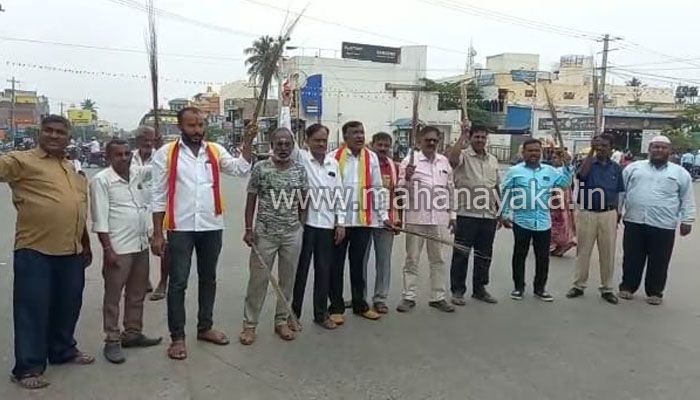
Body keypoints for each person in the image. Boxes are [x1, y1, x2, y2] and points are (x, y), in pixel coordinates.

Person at [151, 107, 252, 360]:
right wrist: (157, 233)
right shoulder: (166, 154)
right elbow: (158, 195)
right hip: (180, 227)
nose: (197, 131)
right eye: (191, 126)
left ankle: (205, 327)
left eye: (200, 125)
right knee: (178, 282)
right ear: (179, 127)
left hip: (211, 226)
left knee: (209, 279)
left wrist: (248, 142)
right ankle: (177, 338)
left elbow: (240, 169)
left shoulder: (214, 150)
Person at [1, 115, 94, 390]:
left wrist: (85, 244)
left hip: (72, 251)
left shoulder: (72, 169)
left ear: (69, 137)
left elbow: (78, 210)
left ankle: (63, 350)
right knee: (32, 310)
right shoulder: (21, 160)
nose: (54, 136)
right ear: (40, 133)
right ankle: (27, 367)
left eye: (60, 132)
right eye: (48, 131)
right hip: (35, 250)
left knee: (68, 305)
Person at [90, 139, 162, 364]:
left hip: (140, 245)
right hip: (118, 248)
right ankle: (112, 339)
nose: (124, 158)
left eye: (126, 154)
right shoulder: (101, 180)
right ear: (108, 157)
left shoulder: (137, 173)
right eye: (118, 155)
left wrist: (159, 148)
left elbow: (160, 167)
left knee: (137, 292)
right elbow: (100, 219)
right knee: (113, 296)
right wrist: (107, 249)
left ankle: (132, 333)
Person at [240, 127, 308, 344]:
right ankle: (250, 325)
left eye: (287, 144)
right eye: (279, 143)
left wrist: (300, 225)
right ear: (272, 145)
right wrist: (249, 229)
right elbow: (251, 199)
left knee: (287, 282)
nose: (283, 148)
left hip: (291, 234)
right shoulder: (260, 168)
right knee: (258, 281)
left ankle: (281, 321)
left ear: (293, 146)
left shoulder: (299, 170)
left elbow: (303, 200)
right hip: (264, 235)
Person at [328, 121, 393, 324]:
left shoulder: (370, 157)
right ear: (345, 137)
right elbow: (331, 191)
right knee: (336, 266)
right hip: (340, 223)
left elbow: (378, 189)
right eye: (354, 133)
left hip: (363, 222)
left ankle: (360, 305)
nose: (359, 136)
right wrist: (337, 220)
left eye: (362, 132)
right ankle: (336, 307)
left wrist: (384, 217)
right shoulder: (334, 158)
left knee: (358, 266)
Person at [618, 135, 696, 305]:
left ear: (669, 150)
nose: (659, 150)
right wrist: (617, 212)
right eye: (656, 147)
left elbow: (687, 198)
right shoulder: (634, 168)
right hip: (634, 221)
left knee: (659, 260)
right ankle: (627, 287)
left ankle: (655, 292)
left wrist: (687, 220)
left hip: (664, 224)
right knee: (631, 257)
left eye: (663, 147)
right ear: (649, 149)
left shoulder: (680, 173)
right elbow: (621, 192)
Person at [500, 138, 573, 302]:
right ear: (523, 153)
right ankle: (518, 287)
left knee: (543, 257)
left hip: (543, 222)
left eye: (537, 151)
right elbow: (506, 193)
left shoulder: (550, 171)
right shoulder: (514, 171)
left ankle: (540, 289)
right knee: (520, 255)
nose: (534, 154)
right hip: (521, 221)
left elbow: (564, 183)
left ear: (541, 153)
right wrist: (504, 214)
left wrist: (568, 166)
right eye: (530, 150)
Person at [289, 123, 346, 330]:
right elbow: (286, 130)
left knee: (324, 271)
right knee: (300, 272)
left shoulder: (333, 163)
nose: (321, 144)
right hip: (305, 225)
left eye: (324, 140)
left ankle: (320, 315)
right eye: (317, 140)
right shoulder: (301, 159)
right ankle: (292, 315)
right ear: (307, 141)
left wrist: (340, 223)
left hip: (327, 226)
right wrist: (285, 104)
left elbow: (339, 194)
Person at [396, 126, 455, 313]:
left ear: (439, 142)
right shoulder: (409, 162)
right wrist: (407, 178)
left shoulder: (444, 162)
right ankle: (408, 296)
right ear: (419, 141)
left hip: (438, 219)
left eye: (434, 140)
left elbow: (451, 190)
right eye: (427, 140)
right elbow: (400, 192)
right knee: (412, 259)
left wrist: (453, 215)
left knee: (438, 260)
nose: (431, 143)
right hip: (415, 218)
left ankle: (438, 297)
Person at [567, 134, 624, 304]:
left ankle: (607, 288)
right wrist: (591, 150)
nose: (601, 148)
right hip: (587, 213)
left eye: (604, 145)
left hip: (608, 214)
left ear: (611, 148)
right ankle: (578, 285)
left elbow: (620, 191)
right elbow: (581, 176)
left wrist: (618, 212)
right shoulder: (588, 163)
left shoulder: (616, 168)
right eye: (598, 145)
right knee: (583, 251)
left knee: (608, 252)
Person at [447, 123, 500, 305]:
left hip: (488, 215)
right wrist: (462, 136)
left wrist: (500, 211)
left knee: (484, 255)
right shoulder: (463, 156)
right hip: (466, 214)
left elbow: (496, 187)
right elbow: (451, 160)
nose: (480, 140)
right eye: (476, 136)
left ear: (487, 139)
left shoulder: (493, 160)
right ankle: (458, 290)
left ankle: (480, 289)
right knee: (461, 254)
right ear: (471, 138)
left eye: (483, 137)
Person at [362, 132, 401, 314]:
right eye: (380, 145)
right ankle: (359, 297)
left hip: (386, 221)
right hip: (365, 219)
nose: (383, 149)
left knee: (383, 261)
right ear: (372, 145)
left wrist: (397, 218)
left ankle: (380, 298)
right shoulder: (364, 164)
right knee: (360, 260)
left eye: (386, 146)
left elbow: (399, 194)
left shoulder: (394, 167)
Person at [549, 149, 577, 257]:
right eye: (553, 158)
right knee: (557, 222)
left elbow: (568, 185)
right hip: (558, 200)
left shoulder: (563, 170)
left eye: (555, 158)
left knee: (561, 222)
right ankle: (557, 246)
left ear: (561, 159)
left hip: (561, 200)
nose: (553, 160)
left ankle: (563, 243)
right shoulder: (554, 170)